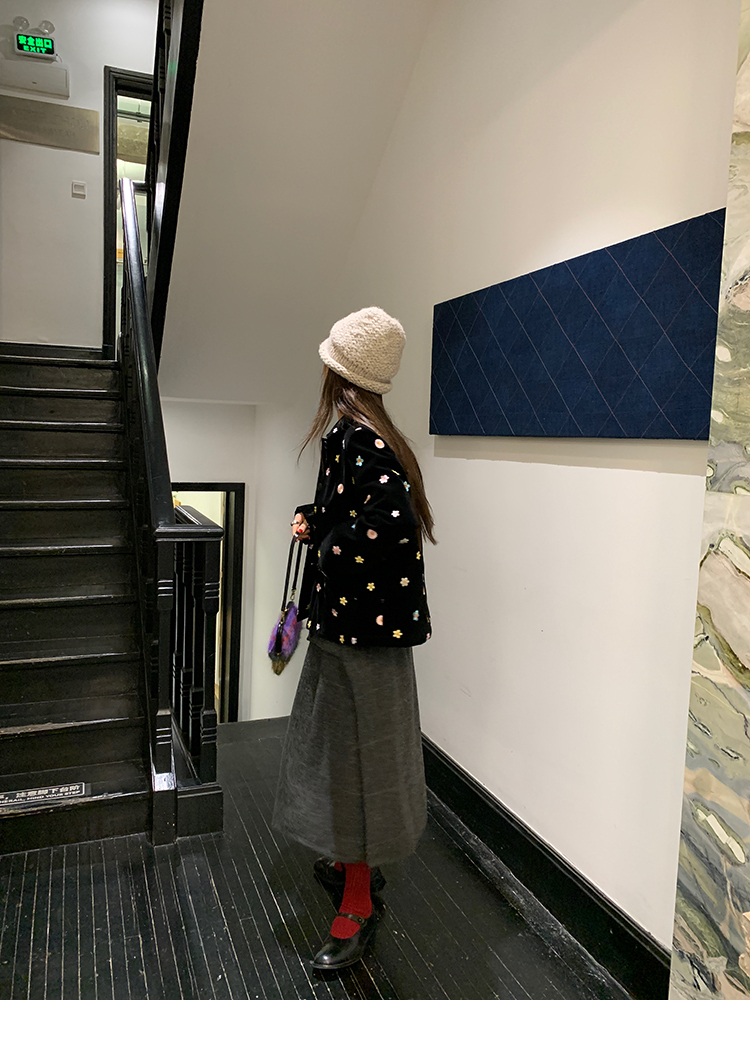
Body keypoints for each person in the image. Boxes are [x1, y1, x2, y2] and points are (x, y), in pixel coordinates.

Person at [272, 306, 436, 972]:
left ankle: (358, 902)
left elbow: (385, 527)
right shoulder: (369, 433)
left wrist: (326, 544)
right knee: (349, 756)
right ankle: (352, 868)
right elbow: (363, 514)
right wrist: (318, 521)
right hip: (359, 630)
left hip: (360, 637)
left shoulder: (358, 437)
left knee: (355, 765)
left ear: (340, 372)